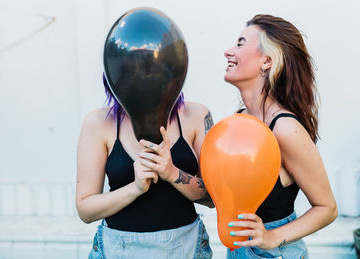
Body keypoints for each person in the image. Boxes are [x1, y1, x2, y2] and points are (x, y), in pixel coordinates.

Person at [224, 14, 338, 258]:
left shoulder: (284, 128)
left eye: (240, 44)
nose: (228, 51)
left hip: (275, 253)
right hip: (237, 250)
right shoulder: (239, 119)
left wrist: (272, 237)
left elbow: (327, 208)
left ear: (267, 61)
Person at [75, 75, 214, 259]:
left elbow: (213, 198)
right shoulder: (98, 122)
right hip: (118, 249)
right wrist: (135, 188)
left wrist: (172, 173)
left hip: (185, 248)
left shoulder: (196, 115)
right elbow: (85, 209)